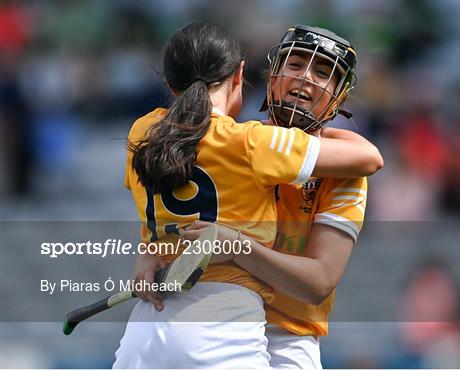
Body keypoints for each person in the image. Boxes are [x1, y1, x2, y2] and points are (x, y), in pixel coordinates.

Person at [113, 22, 382, 368]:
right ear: (269, 75)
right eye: (296, 65)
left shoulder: (345, 172)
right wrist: (150, 250)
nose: (306, 79)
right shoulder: (241, 138)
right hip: (215, 313)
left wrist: (238, 246)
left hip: (288, 334)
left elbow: (317, 283)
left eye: (323, 73)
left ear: (339, 95)